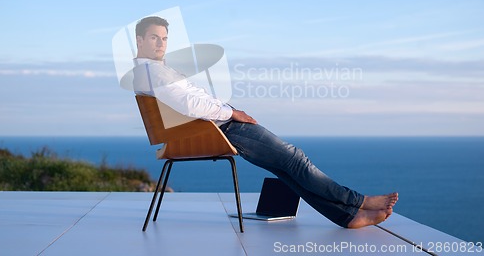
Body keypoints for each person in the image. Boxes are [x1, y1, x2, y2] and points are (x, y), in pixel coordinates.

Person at [132, 15, 398, 229]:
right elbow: (190, 104)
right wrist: (231, 113)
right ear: (140, 39)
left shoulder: (149, 71)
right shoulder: (152, 72)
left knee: (286, 167)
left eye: (164, 38)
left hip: (213, 126)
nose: (161, 43)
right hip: (221, 128)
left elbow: (186, 102)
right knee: (295, 159)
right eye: (155, 37)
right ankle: (359, 201)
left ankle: (347, 216)